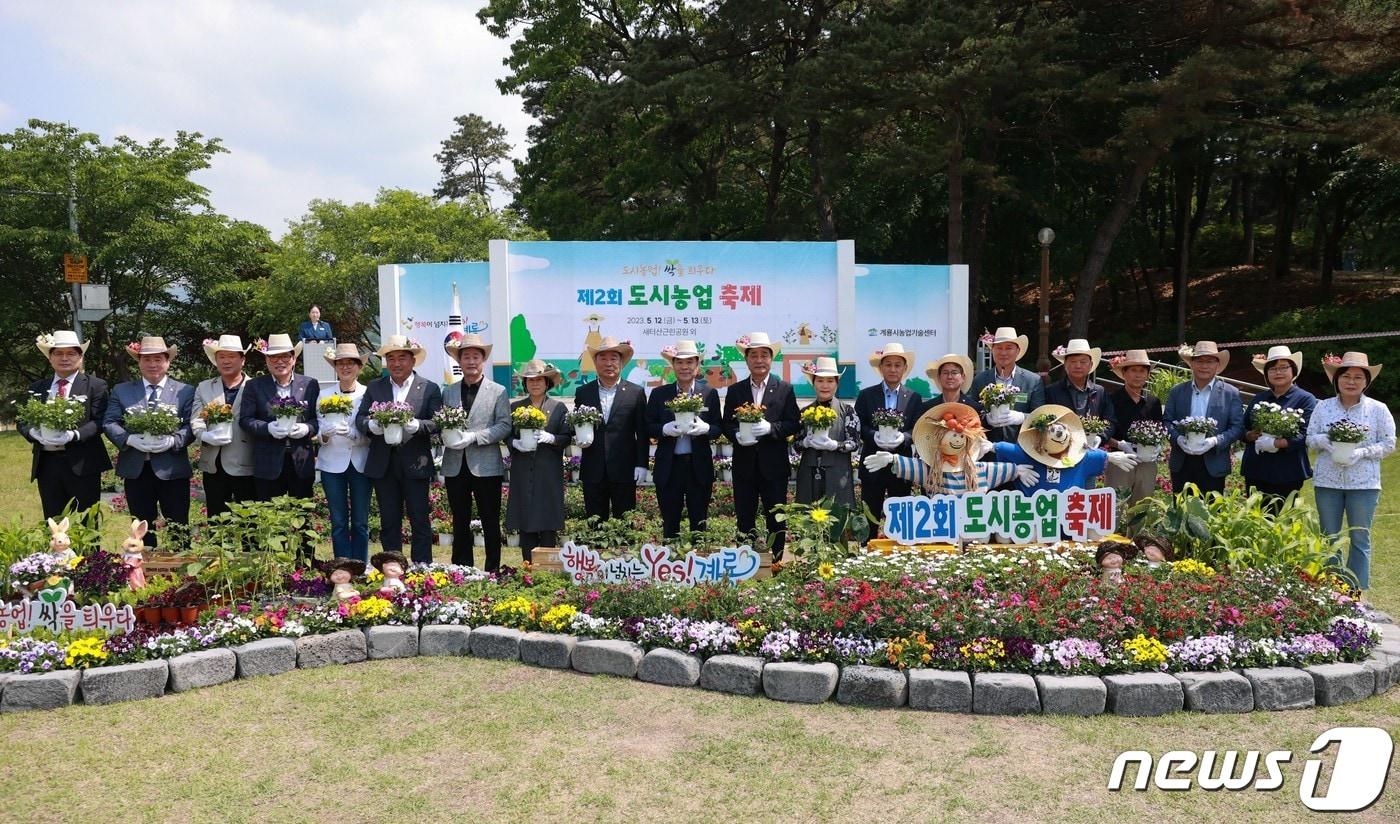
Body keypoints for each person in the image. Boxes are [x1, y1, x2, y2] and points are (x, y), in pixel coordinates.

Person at [1306, 352, 1395, 593]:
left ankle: (1355, 591)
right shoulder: (1323, 407)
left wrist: (1363, 452)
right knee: (1329, 536)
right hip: (1328, 482)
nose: (1351, 381)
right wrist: (1321, 440)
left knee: (1360, 538)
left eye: (1358, 377)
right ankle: (1332, 589)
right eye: (1346, 376)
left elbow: (1389, 443)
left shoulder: (1378, 409)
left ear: (1366, 381)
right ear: (1337, 380)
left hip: (1364, 484)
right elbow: (1310, 437)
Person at [355, 335, 442, 564]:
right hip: (384, 463)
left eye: (402, 358)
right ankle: (392, 567)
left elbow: (437, 422)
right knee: (389, 520)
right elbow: (361, 419)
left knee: (419, 519)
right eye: (390, 358)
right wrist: (372, 426)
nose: (396, 363)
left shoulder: (429, 388)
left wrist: (418, 425)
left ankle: (422, 567)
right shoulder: (375, 387)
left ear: (413, 360)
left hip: (416, 462)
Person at [102, 336, 195, 548]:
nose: (153, 364)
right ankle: (143, 569)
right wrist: (129, 439)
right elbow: (109, 422)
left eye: (158, 359)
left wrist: (174, 440)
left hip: (172, 468)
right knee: (141, 525)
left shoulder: (185, 391)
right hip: (136, 468)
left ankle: (181, 570)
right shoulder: (122, 390)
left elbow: (191, 425)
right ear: (139, 362)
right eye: (147, 359)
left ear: (168, 362)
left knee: (178, 523)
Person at [722, 332, 800, 558]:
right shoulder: (736, 390)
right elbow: (727, 423)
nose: (759, 360)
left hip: (774, 467)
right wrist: (736, 435)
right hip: (744, 466)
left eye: (764, 355)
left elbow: (793, 423)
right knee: (744, 517)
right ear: (746, 360)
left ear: (771, 359)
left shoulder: (784, 388)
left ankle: (776, 562)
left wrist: (771, 429)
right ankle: (743, 561)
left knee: (776, 517)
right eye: (753, 355)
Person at [440, 334, 511, 570]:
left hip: (486, 464)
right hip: (455, 463)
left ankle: (492, 568)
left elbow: (504, 425)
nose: (471, 361)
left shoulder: (498, 391)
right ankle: (462, 568)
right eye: (466, 356)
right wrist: (447, 435)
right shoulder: (448, 392)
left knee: (490, 519)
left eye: (476, 356)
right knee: (459, 519)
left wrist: (475, 437)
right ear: (459, 360)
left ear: (483, 360)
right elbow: (441, 422)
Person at [23, 330, 111, 518]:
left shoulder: (96, 385)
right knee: (54, 521)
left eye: (71, 353)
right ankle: (57, 549)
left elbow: (100, 420)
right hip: (47, 464)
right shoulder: (37, 388)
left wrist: (74, 435)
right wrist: (32, 433)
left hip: (83, 464)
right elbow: (22, 421)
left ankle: (89, 550)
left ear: (80, 357)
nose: (64, 358)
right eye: (58, 353)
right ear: (50, 358)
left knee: (87, 521)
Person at [864, 402, 1023, 495]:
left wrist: (1018, 470)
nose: (957, 439)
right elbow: (912, 466)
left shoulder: (979, 470)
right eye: (952, 435)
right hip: (943, 529)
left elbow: (998, 469)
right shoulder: (932, 471)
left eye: (961, 436)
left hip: (973, 527)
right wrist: (892, 459)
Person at [647, 340, 720, 540]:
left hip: (698, 467)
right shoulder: (659, 394)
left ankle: (698, 565)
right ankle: (670, 566)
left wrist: (706, 429)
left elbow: (718, 427)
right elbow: (648, 426)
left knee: (699, 521)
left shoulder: (709, 394)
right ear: (673, 365)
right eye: (679, 362)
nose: (684, 367)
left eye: (690, 362)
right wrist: (664, 429)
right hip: (669, 467)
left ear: (697, 366)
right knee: (670, 522)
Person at [573, 336, 649, 522]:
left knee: (625, 522)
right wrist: (578, 436)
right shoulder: (584, 392)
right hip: (593, 468)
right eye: (603, 358)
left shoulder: (635, 393)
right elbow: (576, 424)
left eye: (613, 358)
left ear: (621, 362)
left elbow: (643, 431)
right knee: (594, 522)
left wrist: (641, 464)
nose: (608, 363)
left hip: (625, 468)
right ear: (595, 362)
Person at [240, 334, 320, 504]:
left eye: (284, 356)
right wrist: (267, 428)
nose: (279, 361)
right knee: (270, 517)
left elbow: (316, 419)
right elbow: (245, 419)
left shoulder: (310, 384)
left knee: (302, 517)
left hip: (301, 461)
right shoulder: (254, 386)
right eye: (274, 357)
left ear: (293, 358)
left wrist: (307, 428)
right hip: (268, 463)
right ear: (267, 360)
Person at [504, 359, 571, 562]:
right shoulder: (516, 407)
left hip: (548, 470)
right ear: (525, 383)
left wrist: (551, 438)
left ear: (547, 382)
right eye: (530, 380)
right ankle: (528, 566)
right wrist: (514, 443)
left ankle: (547, 567)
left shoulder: (558, 408)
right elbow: (506, 434)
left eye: (539, 379)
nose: (535, 384)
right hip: (523, 470)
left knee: (548, 518)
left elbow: (567, 436)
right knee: (525, 517)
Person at [854, 343, 923, 537]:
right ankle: (866, 553)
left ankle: (899, 554)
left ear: (904, 368)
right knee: (870, 514)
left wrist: (904, 438)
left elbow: (916, 429)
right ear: (881, 368)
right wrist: (872, 435)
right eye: (888, 364)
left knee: (900, 514)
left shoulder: (914, 397)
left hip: (901, 465)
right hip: (872, 463)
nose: (893, 369)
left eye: (897, 365)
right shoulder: (866, 395)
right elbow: (859, 425)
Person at [1163, 341, 1244, 495]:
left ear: (1217, 365)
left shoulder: (1230, 393)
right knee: (1181, 512)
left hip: (1213, 462)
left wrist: (1215, 441)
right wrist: (1178, 439)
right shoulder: (1177, 391)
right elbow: (1167, 422)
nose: (1204, 366)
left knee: (1211, 512)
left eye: (1210, 361)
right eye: (1199, 361)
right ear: (1191, 364)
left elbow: (1237, 427)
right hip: (1182, 461)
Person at [1241, 345, 1317, 506]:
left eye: (1283, 367)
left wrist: (1277, 443)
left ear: (1293, 371)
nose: (1278, 372)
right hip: (1256, 469)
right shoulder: (1259, 398)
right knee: (1255, 518)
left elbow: (1307, 433)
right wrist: (1249, 435)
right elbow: (1243, 427)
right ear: (1267, 374)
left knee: (1282, 519)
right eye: (1273, 369)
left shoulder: (1305, 399)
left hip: (1288, 471)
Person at [317, 343, 372, 562]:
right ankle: (341, 565)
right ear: (335, 367)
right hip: (332, 463)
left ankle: (359, 564)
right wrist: (326, 434)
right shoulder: (324, 395)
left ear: (359, 367)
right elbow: (319, 431)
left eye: (350, 363)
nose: (345, 367)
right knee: (338, 520)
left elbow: (372, 429)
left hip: (360, 462)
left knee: (360, 520)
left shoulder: (367, 393)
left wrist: (353, 434)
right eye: (341, 363)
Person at [191, 335, 255, 518]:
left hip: (247, 461)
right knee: (217, 518)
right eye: (222, 357)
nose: (226, 361)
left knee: (249, 520)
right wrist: (203, 435)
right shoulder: (204, 387)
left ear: (242, 360)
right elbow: (196, 419)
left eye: (232, 356)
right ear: (216, 360)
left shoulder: (256, 386)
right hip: (214, 463)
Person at [793, 357, 860, 509]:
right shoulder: (805, 412)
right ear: (813, 383)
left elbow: (854, 443)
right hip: (809, 473)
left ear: (837, 384)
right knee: (808, 518)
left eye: (830, 381)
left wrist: (835, 445)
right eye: (820, 381)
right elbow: (795, 444)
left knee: (837, 519)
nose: (825, 386)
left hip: (838, 474)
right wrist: (805, 442)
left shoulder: (847, 411)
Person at [1105, 350, 1164, 504]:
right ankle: (1113, 530)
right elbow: (1103, 431)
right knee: (1115, 506)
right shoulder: (1112, 400)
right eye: (1133, 370)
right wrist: (1120, 444)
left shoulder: (1153, 402)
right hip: (1120, 461)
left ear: (1147, 375)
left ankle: (1138, 530)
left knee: (1142, 507)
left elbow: (1160, 430)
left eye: (1142, 371)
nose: (1137, 375)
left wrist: (1157, 447)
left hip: (1147, 462)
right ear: (1124, 373)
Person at [969, 326, 1045, 442]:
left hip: (1021, 450)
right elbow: (971, 416)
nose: (1003, 353)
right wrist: (986, 420)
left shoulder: (1033, 381)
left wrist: (1021, 417)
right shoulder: (980, 380)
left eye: (1009, 348)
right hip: (988, 450)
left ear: (1018, 351)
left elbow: (1041, 417)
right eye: (999, 348)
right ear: (992, 350)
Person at [1044, 339, 1118, 443]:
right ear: (1065, 364)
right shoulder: (1051, 391)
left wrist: (1100, 437)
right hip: (1060, 446)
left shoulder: (1100, 392)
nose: (1078, 366)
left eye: (1083, 362)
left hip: (1092, 447)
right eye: (1073, 361)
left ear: (1091, 365)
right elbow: (1044, 419)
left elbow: (1110, 421)